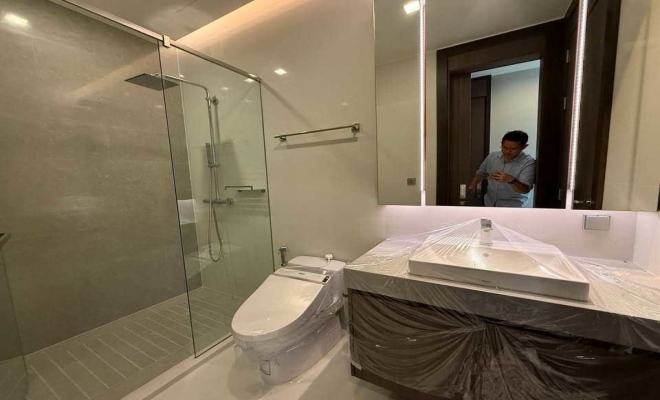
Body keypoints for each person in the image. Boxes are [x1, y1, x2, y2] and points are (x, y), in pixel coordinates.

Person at [468, 130, 536, 207]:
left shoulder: (528, 162)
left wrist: (511, 180)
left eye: (513, 149)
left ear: (524, 147)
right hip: (489, 203)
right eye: (504, 147)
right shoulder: (492, 156)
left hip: (513, 206)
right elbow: (481, 173)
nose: (507, 151)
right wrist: (473, 184)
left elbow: (525, 189)